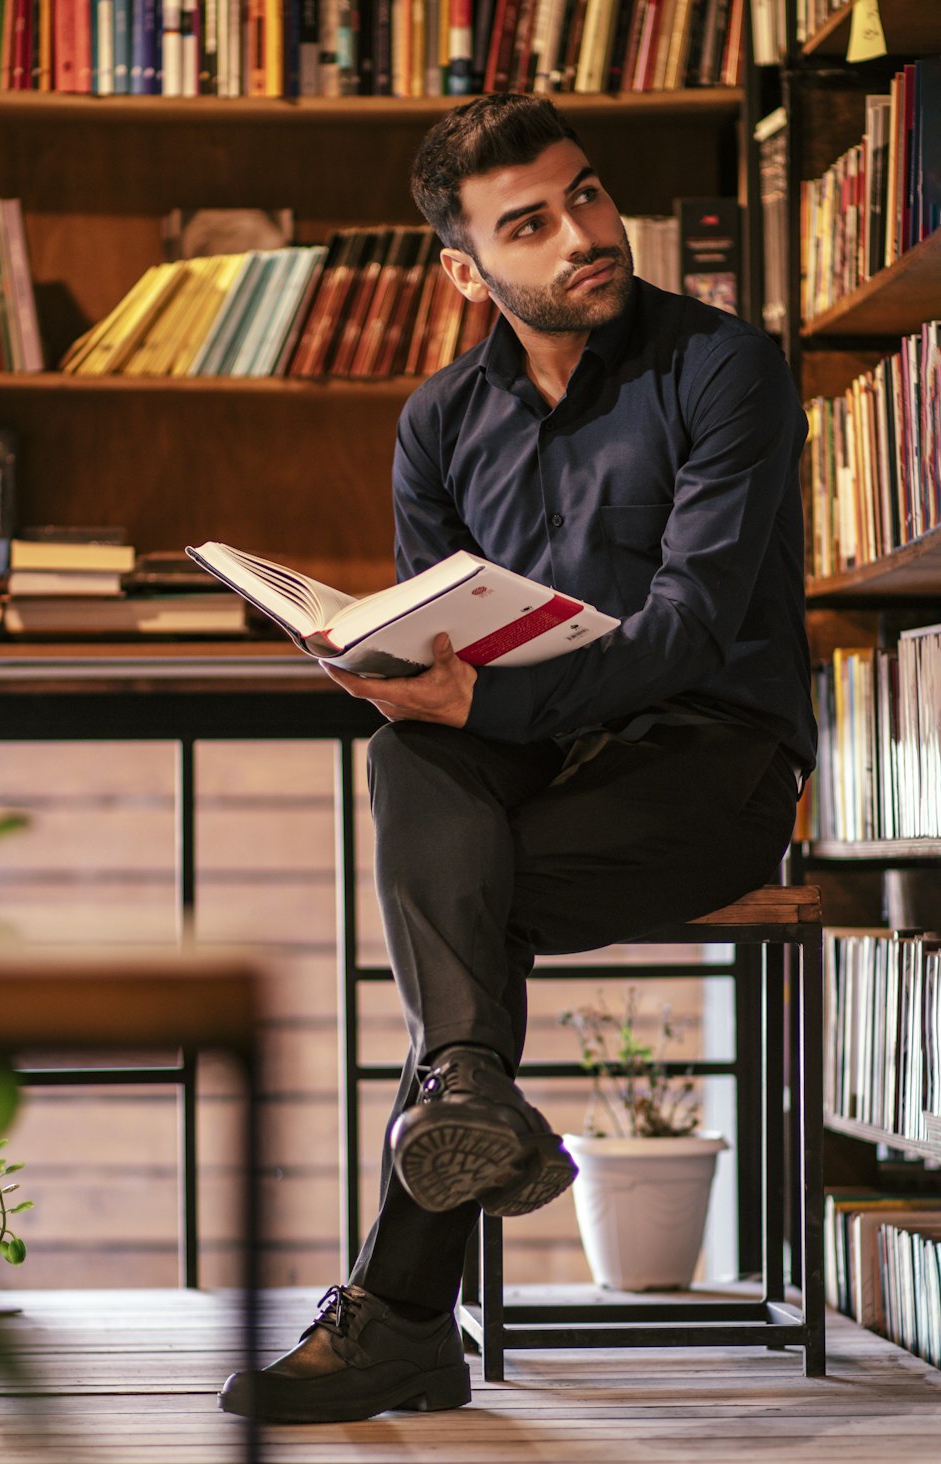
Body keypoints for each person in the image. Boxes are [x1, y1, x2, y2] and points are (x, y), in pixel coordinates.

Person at [219, 92, 816, 1426]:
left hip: (708, 767)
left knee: (461, 888)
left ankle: (403, 1302)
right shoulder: (438, 422)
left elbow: (686, 632)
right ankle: (464, 1111)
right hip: (541, 773)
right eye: (531, 223)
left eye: (587, 197)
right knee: (405, 766)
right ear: (466, 269)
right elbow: (432, 638)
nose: (583, 235)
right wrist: (389, 667)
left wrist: (475, 705)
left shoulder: (728, 368)